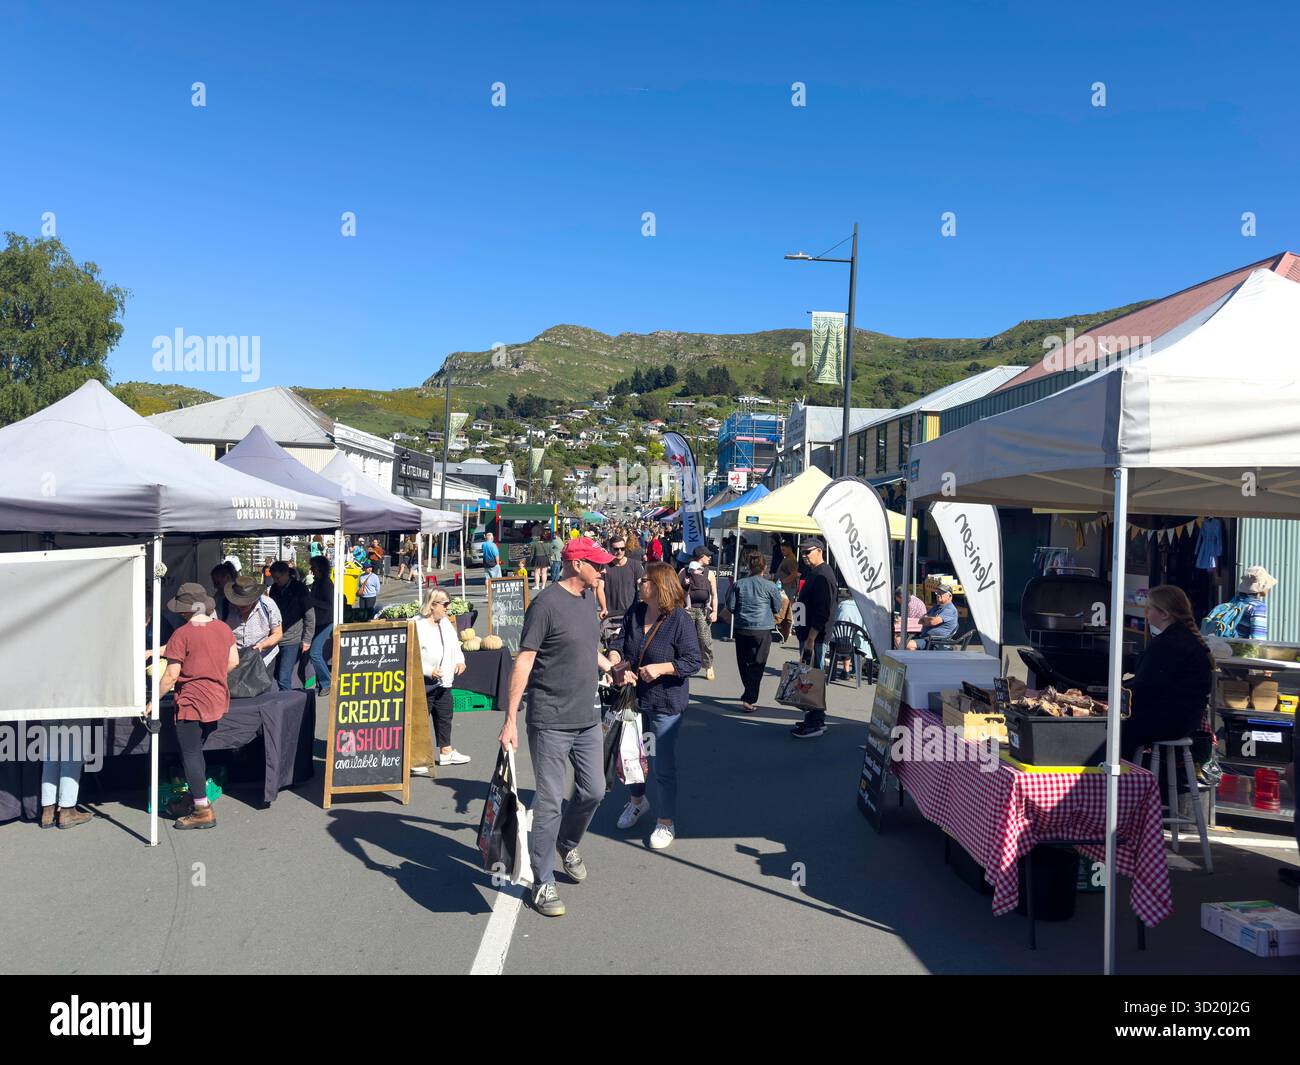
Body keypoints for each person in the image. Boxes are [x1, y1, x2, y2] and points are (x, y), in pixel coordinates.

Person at [498, 536, 617, 918]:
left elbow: (585, 648)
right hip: (550, 720)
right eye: (596, 564)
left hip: (587, 717)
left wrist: (611, 667)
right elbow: (525, 661)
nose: (602, 571)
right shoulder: (546, 604)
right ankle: (543, 880)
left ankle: (567, 842)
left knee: (595, 790)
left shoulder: (586, 602)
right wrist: (510, 719)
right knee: (548, 802)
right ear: (576, 564)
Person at [608, 561, 702, 849]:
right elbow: (619, 642)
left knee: (662, 765)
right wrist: (614, 661)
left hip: (665, 702)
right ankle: (637, 802)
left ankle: (666, 822)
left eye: (645, 580)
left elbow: (692, 661)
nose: (639, 583)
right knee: (632, 758)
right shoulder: (635, 612)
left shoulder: (679, 620)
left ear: (660, 585)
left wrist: (661, 668)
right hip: (635, 699)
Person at [157, 583, 238, 830]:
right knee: (197, 751)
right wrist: (212, 674)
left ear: (185, 611)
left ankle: (202, 809)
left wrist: (151, 701)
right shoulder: (223, 628)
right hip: (216, 698)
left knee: (190, 753)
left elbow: (171, 675)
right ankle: (195, 797)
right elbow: (233, 661)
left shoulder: (182, 634)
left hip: (191, 701)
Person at [1120, 585, 1214, 762]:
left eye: (1149, 608)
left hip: (1170, 721)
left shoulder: (1168, 643)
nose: (1145, 612)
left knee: (1111, 728)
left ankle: (1123, 777)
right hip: (1185, 719)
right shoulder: (1184, 638)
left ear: (1164, 614)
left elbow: (1145, 686)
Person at [416, 588, 470, 771]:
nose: (448, 608)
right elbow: (410, 655)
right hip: (425, 681)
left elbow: (454, 643)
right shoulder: (416, 625)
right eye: (445, 604)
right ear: (432, 605)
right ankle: (416, 757)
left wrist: (460, 660)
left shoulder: (445, 622)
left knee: (445, 714)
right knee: (421, 718)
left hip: (444, 679)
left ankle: (446, 751)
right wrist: (428, 670)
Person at [726, 548, 786, 711]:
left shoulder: (739, 584)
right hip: (763, 628)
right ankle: (750, 696)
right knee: (758, 663)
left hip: (742, 627)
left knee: (743, 661)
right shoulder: (770, 586)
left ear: (748, 567)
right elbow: (777, 608)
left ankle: (749, 692)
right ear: (764, 568)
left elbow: (731, 606)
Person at [792, 538, 837, 738]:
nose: (804, 556)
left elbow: (823, 610)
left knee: (814, 678)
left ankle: (817, 720)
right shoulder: (814, 573)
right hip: (808, 633)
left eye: (807, 552)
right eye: (802, 552)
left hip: (815, 637)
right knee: (808, 677)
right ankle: (811, 717)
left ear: (819, 551)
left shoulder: (823, 574)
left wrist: (811, 637)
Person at [268, 561, 315, 691]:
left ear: (286, 574)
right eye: (273, 578)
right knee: (276, 675)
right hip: (276, 637)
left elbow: (309, 615)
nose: (275, 581)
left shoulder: (300, 589)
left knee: (284, 677)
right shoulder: (274, 589)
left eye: (277, 578)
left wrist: (307, 639)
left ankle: (286, 705)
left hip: (292, 639)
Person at [1202, 566, 1276, 640]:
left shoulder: (1234, 601)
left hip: (1226, 647)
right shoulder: (1258, 607)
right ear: (1262, 587)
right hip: (1240, 649)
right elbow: (1258, 639)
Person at [679, 545, 717, 681]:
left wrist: (715, 611)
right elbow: (678, 592)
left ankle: (708, 666)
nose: (710, 557)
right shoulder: (684, 571)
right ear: (701, 557)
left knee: (705, 639)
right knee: (684, 640)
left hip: (703, 610)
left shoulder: (710, 573)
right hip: (687, 609)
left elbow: (714, 594)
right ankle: (683, 665)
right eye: (708, 555)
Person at [221, 574, 283, 655]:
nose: (242, 605)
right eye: (239, 602)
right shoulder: (225, 605)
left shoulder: (268, 604)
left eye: (246, 602)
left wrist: (262, 645)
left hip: (263, 658)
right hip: (236, 656)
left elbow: (278, 633)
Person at [306, 555, 335, 698]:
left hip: (326, 622)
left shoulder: (326, 583)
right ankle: (321, 680)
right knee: (315, 653)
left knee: (315, 653)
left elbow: (330, 605)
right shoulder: (317, 582)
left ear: (320, 568)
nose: (311, 570)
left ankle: (327, 682)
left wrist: (313, 601)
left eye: (313, 568)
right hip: (317, 621)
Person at [602, 534, 644, 625]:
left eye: (622, 548)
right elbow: (599, 588)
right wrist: (603, 607)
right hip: (611, 616)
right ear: (610, 549)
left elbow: (641, 586)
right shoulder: (604, 566)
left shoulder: (635, 565)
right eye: (616, 549)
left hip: (631, 613)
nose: (620, 551)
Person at [831, 586, 871, 680]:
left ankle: (841, 672)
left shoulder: (842, 604)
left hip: (839, 640)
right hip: (855, 642)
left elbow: (835, 619)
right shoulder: (863, 607)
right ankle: (851, 670)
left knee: (844, 640)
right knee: (855, 641)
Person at [774, 538, 800, 642]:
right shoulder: (788, 558)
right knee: (786, 611)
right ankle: (786, 631)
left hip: (787, 590)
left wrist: (782, 581)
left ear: (789, 549)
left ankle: (787, 631)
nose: (782, 552)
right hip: (785, 589)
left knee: (786, 611)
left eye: (784, 549)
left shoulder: (791, 560)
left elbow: (794, 574)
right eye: (781, 550)